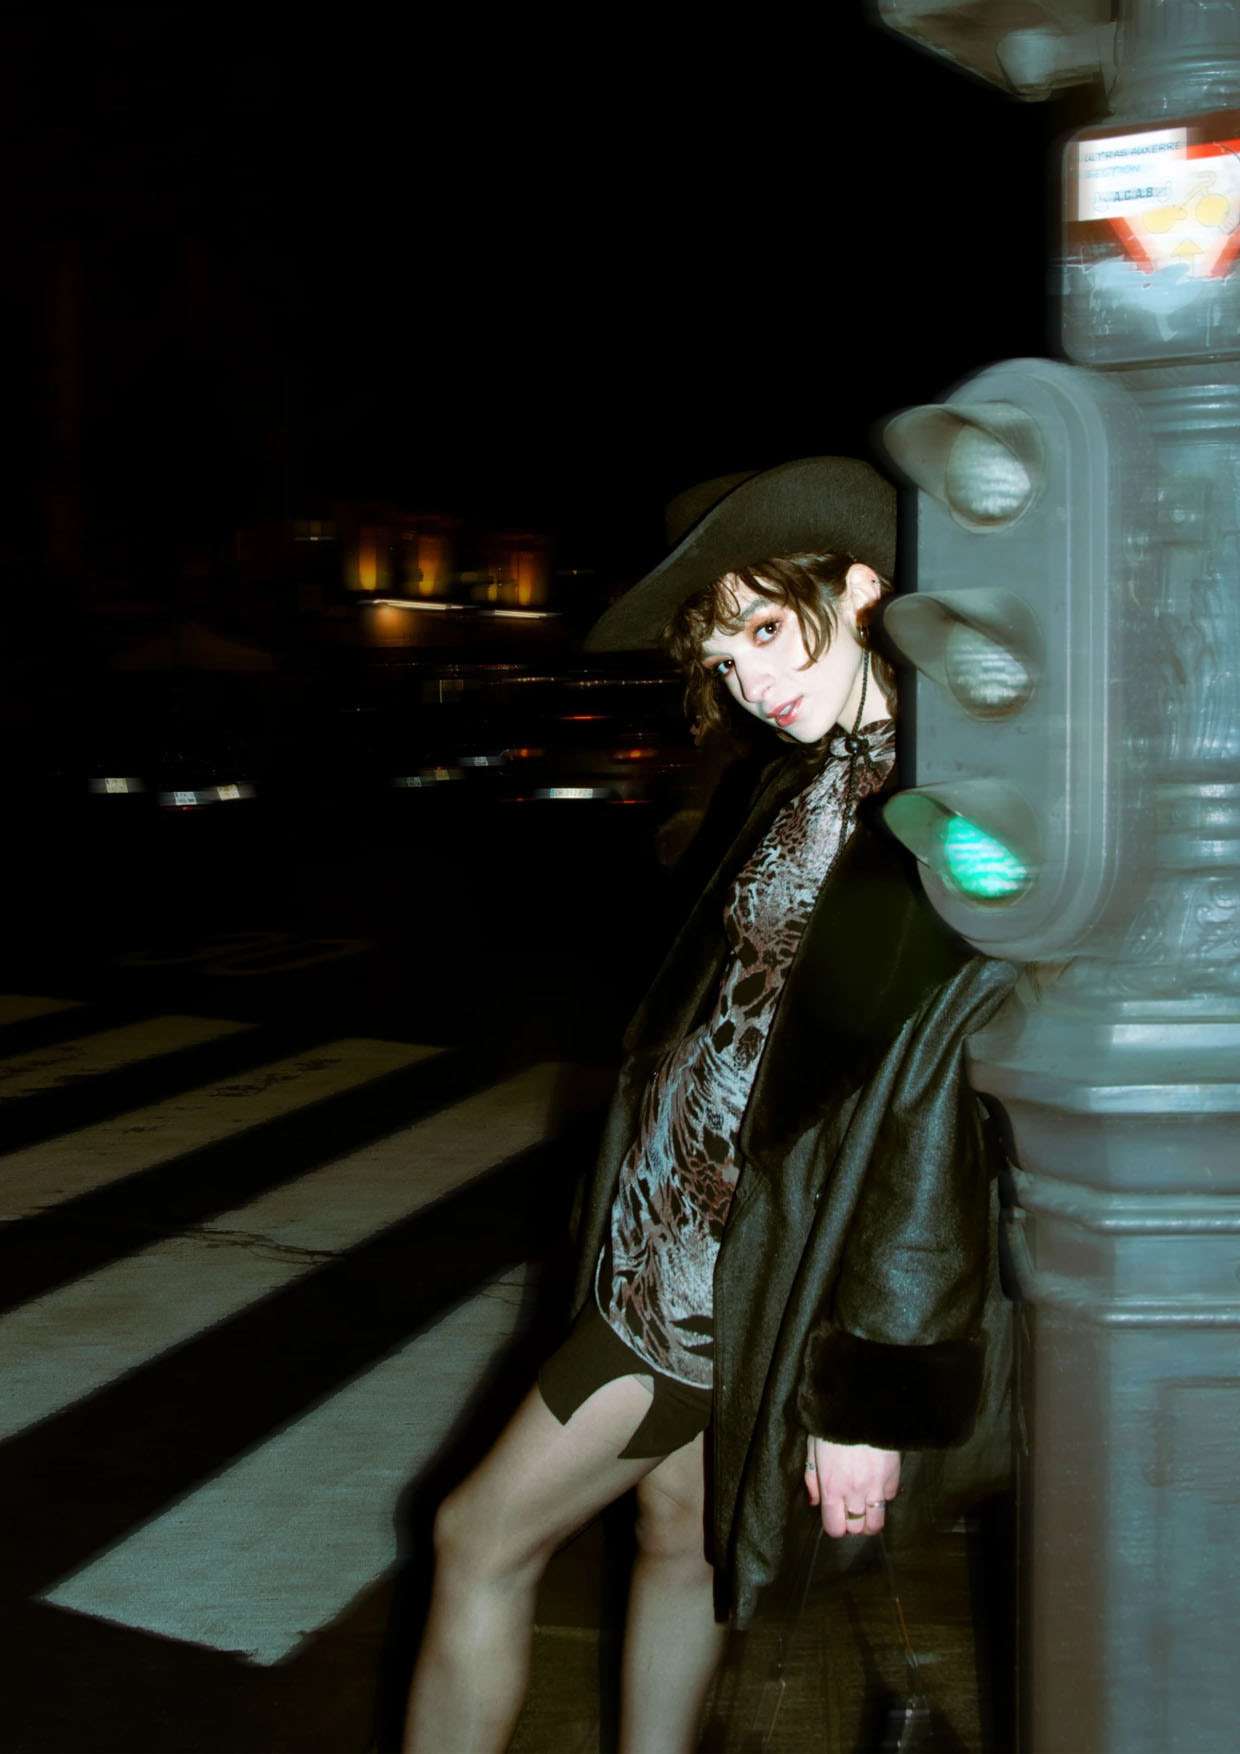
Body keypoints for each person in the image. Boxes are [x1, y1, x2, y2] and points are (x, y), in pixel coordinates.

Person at [400, 457, 1018, 1754]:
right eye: (725, 659)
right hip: (680, 1244)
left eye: (766, 630)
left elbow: (926, 1116)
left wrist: (868, 1396)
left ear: (862, 591)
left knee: (476, 1537)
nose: (750, 681)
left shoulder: (942, 812)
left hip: (718, 1280)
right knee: (679, 1537)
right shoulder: (812, 778)